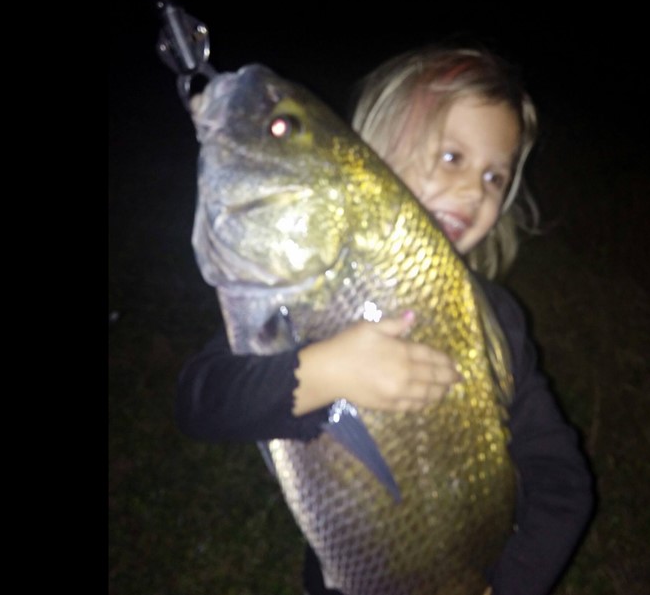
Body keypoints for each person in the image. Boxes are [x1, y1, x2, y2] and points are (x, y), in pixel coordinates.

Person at [175, 44, 594, 595]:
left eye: (496, 177)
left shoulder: (499, 322)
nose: (474, 190)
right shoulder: (305, 295)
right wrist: (322, 374)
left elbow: (562, 482)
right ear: (364, 155)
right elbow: (201, 403)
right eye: (452, 157)